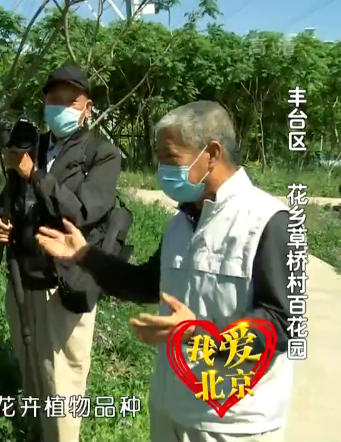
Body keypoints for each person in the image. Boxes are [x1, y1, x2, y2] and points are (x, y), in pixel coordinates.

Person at [36, 100, 293, 442]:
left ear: (212, 153)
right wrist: (85, 254)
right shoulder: (181, 223)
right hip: (170, 409)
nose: (162, 171)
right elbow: (146, 284)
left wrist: (201, 337)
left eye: (171, 159)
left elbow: (281, 323)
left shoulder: (269, 221)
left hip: (232, 423)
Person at [0, 65, 122, 441]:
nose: (60, 107)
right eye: (53, 100)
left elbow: (82, 211)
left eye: (70, 101)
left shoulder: (103, 154)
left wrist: (34, 174)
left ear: (87, 107)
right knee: (31, 368)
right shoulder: (34, 144)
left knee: (62, 378)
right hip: (23, 276)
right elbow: (8, 200)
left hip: (63, 283)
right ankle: (35, 432)